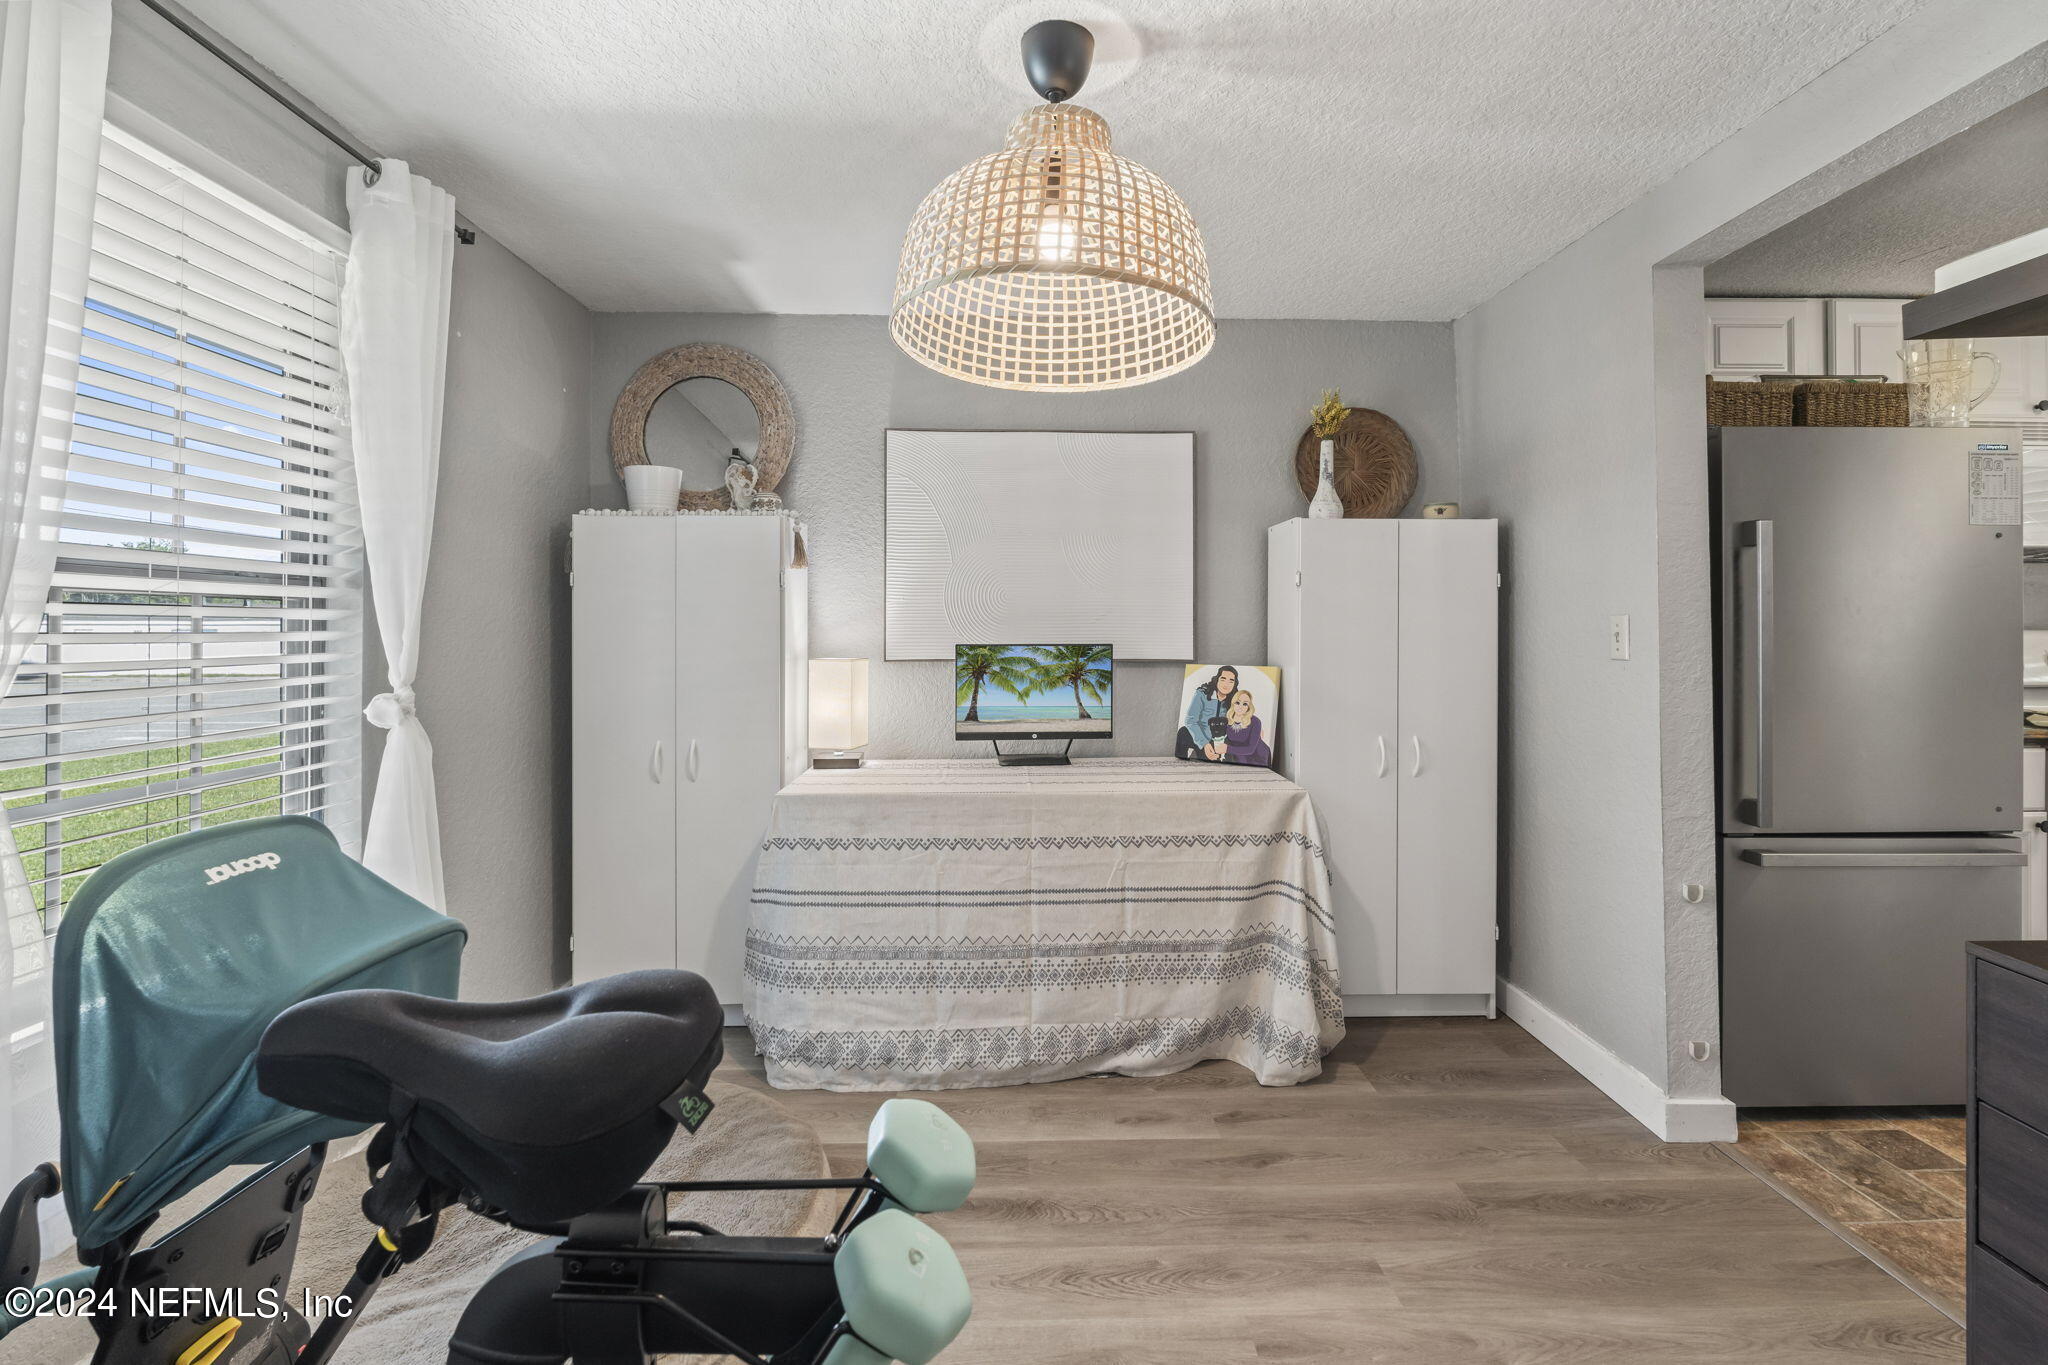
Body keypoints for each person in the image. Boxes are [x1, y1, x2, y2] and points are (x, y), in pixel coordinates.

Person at [1176, 666, 1237, 760]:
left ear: (1234, 684)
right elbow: (1190, 720)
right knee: (1183, 732)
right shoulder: (1202, 694)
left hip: (1220, 740)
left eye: (1231, 681)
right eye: (1223, 679)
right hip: (1200, 737)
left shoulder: (1235, 699)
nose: (1226, 684)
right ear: (1217, 679)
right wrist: (1204, 743)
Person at [1220, 687, 1272, 767]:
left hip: (1257, 756)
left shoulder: (1255, 721)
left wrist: (1227, 749)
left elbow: (1250, 749)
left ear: (1248, 707)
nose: (1240, 706)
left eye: (1245, 704)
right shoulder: (1227, 720)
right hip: (1238, 755)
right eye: (1238, 702)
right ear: (1233, 704)